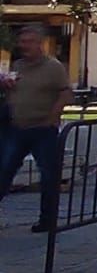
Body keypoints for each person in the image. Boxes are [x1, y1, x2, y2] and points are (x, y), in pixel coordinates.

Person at [0, 25, 74, 260]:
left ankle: (47, 219)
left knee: (49, 174)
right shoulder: (18, 66)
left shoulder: (53, 67)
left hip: (42, 129)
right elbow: (15, 93)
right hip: (17, 127)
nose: (24, 46)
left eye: (29, 42)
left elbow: (65, 93)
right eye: (22, 42)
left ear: (40, 43)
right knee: (4, 171)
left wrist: (53, 118)